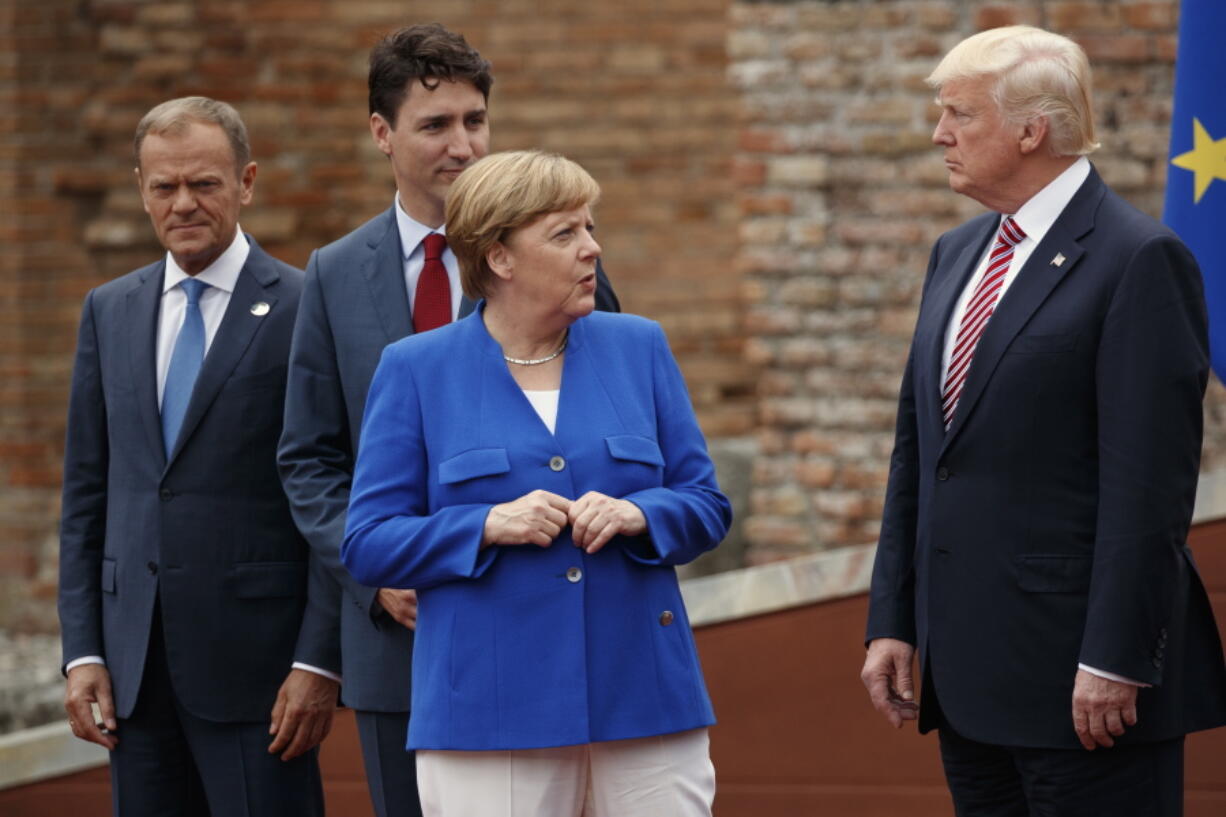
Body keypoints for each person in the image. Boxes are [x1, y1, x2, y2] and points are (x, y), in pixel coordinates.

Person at [861, 25, 1226, 816]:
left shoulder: (1138, 258)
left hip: (1086, 691)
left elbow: (1150, 485)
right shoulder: (956, 253)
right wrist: (892, 616)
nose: (938, 134)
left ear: (1032, 130)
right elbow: (921, 452)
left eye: (960, 114)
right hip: (966, 683)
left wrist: (1116, 657)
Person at [277, 23, 619, 817]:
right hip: (399, 641)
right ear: (381, 134)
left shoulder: (560, 258)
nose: (462, 145)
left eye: (475, 121)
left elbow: (606, 424)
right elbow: (311, 458)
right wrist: (378, 574)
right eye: (435, 125)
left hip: (540, 622)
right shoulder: (331, 274)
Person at [340, 149, 728, 817]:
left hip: (643, 692)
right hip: (489, 709)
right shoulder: (416, 369)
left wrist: (640, 514)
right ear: (499, 256)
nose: (592, 250)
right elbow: (369, 542)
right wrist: (487, 523)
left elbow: (706, 505)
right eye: (566, 233)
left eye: (591, 227)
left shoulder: (639, 347)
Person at [57, 96, 341, 816]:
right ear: (142, 190)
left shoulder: (307, 306)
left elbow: (330, 492)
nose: (183, 202)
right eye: (163, 186)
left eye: (204, 183)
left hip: (261, 678)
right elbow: (87, 495)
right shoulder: (109, 309)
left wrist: (317, 659)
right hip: (134, 678)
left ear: (246, 182)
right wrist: (84, 650)